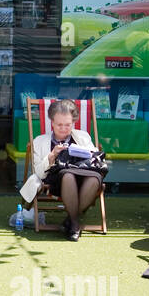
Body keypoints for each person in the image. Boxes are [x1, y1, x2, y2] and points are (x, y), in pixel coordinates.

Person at [30, 98, 102, 241]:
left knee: (95, 178)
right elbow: (38, 173)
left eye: (68, 125)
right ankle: (75, 224)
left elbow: (94, 160)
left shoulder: (82, 136)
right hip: (57, 180)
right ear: (52, 122)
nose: (63, 128)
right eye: (59, 125)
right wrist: (51, 156)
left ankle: (70, 219)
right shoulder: (40, 141)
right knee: (68, 175)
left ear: (73, 122)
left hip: (84, 176)